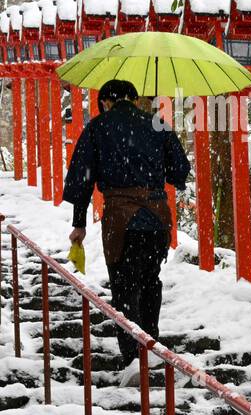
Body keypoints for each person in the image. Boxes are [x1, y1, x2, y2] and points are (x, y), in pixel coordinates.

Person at [63, 79, 190, 375]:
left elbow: (82, 179)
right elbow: (179, 172)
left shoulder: (98, 127)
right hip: (156, 218)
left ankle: (132, 356)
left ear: (106, 102)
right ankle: (151, 346)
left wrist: (79, 224)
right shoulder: (158, 124)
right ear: (134, 100)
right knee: (150, 281)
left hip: (120, 220)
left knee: (123, 287)